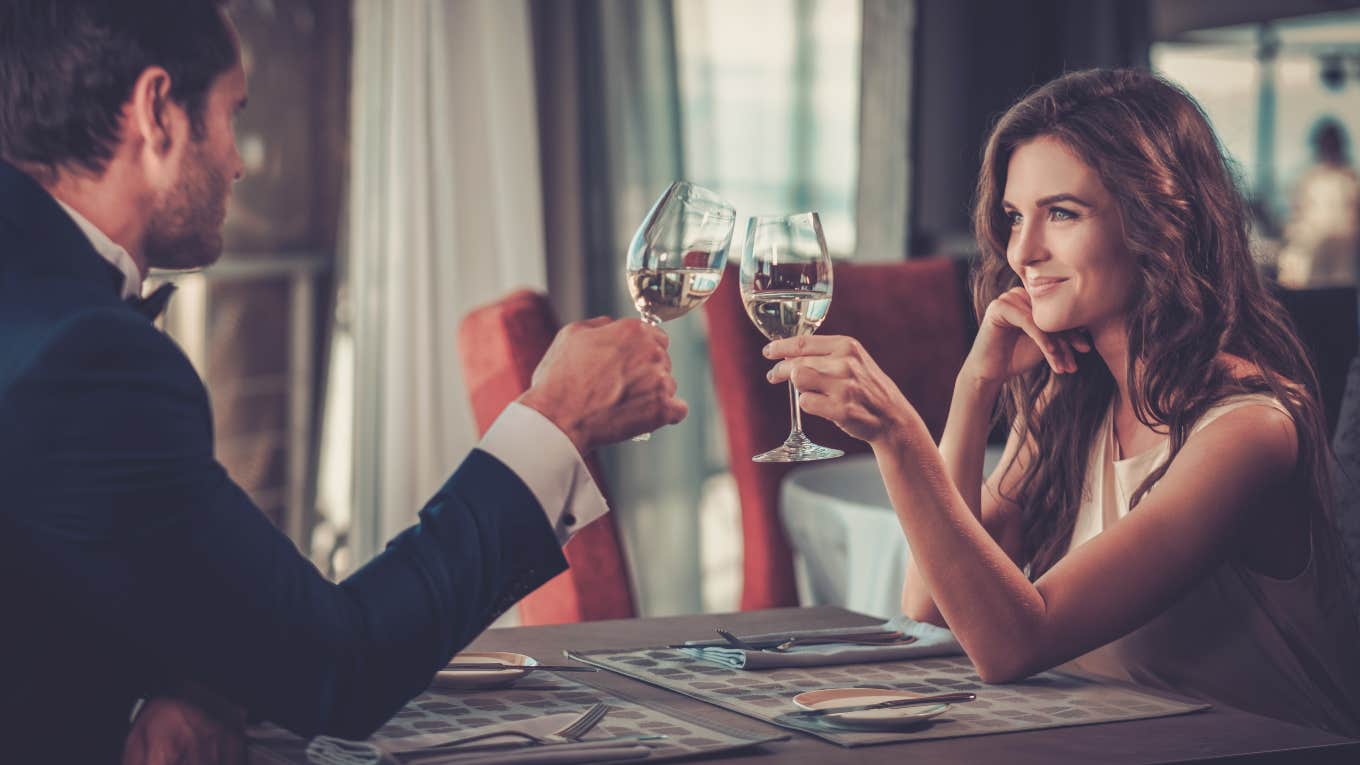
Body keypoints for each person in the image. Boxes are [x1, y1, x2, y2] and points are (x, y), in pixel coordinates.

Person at [0, 1, 686, 762]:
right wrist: (556, 417)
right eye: (234, 113)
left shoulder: (34, 297)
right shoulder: (83, 355)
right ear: (157, 111)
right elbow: (338, 664)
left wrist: (168, 685)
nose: (238, 160)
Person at [765, 69, 1360, 735]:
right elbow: (930, 603)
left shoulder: (1249, 428)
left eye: (1062, 213)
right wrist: (975, 385)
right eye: (1016, 217)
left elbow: (1013, 642)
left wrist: (898, 434)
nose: (1022, 251)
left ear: (1160, 220)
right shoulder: (1073, 406)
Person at [1276, 118, 1360, 288]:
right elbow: (1297, 221)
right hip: (1313, 259)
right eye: (1326, 143)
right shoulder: (1308, 180)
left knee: (1342, 295)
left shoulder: (1351, 180)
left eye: (1332, 144)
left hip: (1345, 261)